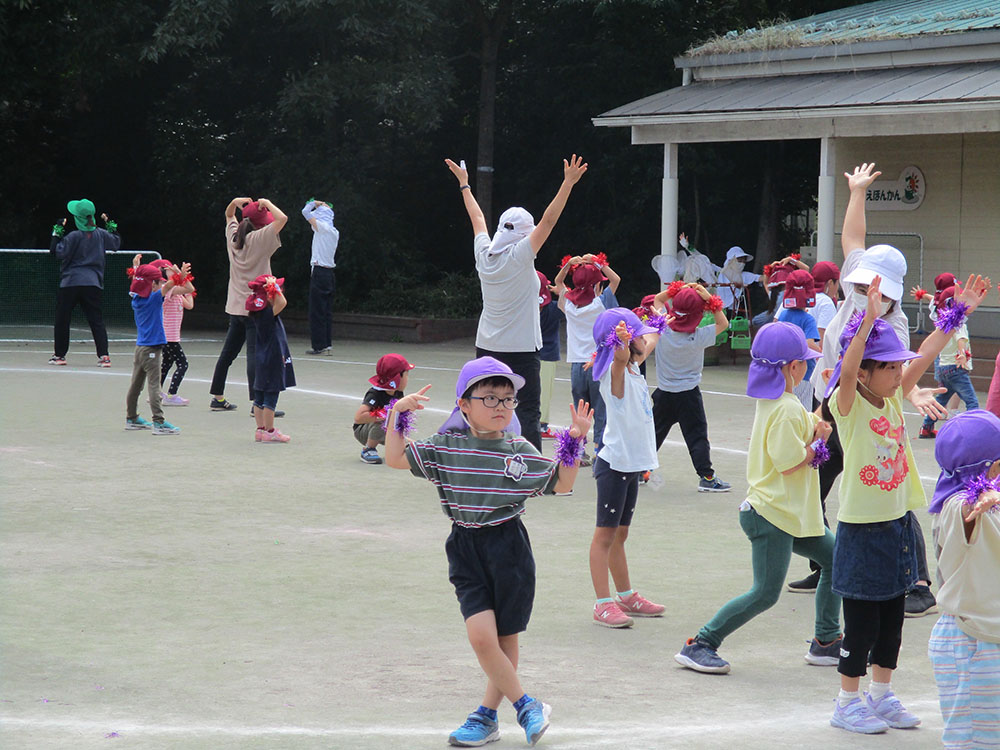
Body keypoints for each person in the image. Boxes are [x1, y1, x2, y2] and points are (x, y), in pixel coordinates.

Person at [383, 357, 593, 747]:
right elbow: (394, 457)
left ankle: (486, 717)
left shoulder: (519, 450)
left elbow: (561, 484)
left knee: (505, 638)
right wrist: (398, 412)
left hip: (508, 547)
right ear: (464, 404)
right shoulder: (447, 446)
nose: (501, 407)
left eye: (508, 399)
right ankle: (527, 705)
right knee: (482, 637)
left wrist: (576, 440)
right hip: (464, 547)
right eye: (490, 398)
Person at [823, 274, 989, 734]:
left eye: (900, 368)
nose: (901, 374)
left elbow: (930, 351)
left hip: (897, 522)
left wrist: (960, 314)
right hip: (862, 528)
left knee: (894, 619)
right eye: (891, 368)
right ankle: (846, 701)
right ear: (869, 373)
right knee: (860, 623)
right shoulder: (849, 407)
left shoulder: (894, 400)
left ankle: (880, 694)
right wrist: (867, 321)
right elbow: (850, 366)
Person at [789, 162, 950, 612]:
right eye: (861, 281)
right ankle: (826, 561)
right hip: (833, 402)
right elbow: (852, 241)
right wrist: (857, 192)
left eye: (875, 284)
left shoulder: (894, 325)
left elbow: (900, 374)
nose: (864, 287)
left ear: (895, 291)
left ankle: (916, 581)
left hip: (869, 409)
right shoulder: (856, 282)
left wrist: (909, 392)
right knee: (815, 481)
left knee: (892, 486)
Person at [675, 322, 841, 673]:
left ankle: (827, 640)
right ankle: (702, 643)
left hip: (788, 513)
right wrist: (819, 443)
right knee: (765, 592)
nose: (808, 365)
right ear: (790, 368)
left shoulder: (778, 402)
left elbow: (799, 426)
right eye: (803, 361)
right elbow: (790, 461)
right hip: (772, 515)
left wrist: (817, 425)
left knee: (836, 560)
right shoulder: (786, 408)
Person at [445, 154, 588, 451]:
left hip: (486, 346)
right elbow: (548, 221)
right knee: (525, 411)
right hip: (521, 349)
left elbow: (477, 218)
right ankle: (530, 468)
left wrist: (464, 185)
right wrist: (568, 183)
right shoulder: (521, 255)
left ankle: (479, 459)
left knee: (483, 407)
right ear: (525, 234)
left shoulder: (484, 254)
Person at [588, 308, 666, 628]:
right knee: (604, 536)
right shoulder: (615, 374)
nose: (642, 341)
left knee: (621, 534)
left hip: (631, 466)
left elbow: (649, 342)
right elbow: (620, 359)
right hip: (614, 465)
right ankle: (603, 603)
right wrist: (620, 352)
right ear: (620, 345)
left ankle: (626, 595)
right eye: (636, 337)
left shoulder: (634, 366)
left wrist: (660, 320)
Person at [926, 410, 1000, 750]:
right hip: (972, 644)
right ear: (991, 468)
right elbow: (964, 511)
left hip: (987, 638)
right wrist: (978, 499)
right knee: (975, 742)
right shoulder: (958, 509)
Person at [209, 197, 287, 413]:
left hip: (235, 306)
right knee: (256, 355)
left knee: (228, 353)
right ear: (261, 223)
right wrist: (268, 202)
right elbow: (283, 218)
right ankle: (257, 404)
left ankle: (217, 397)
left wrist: (234, 202)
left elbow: (228, 215)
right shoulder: (259, 238)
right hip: (256, 307)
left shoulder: (234, 237)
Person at [652, 282, 731, 492]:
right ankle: (706, 477)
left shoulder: (661, 327)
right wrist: (710, 299)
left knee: (652, 433)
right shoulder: (698, 336)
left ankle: (638, 470)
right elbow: (723, 324)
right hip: (688, 395)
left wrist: (676, 290)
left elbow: (658, 300)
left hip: (664, 392)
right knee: (696, 436)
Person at [554, 253, 620, 460]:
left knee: (581, 412)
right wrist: (598, 263)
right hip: (598, 364)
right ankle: (600, 452)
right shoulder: (601, 303)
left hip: (576, 365)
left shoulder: (570, 306)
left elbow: (558, 282)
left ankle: (578, 452)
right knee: (600, 412)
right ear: (596, 286)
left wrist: (568, 266)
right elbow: (616, 279)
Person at [48, 199, 121, 367]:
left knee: (62, 318)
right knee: (96, 319)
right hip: (93, 282)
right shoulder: (101, 234)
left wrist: (57, 231)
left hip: (70, 282)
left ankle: (59, 355)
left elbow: (56, 252)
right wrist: (111, 225)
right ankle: (104, 356)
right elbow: (116, 243)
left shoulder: (73, 236)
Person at [124, 260, 193, 435]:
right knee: (154, 387)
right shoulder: (154, 299)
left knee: (135, 386)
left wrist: (137, 269)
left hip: (140, 349)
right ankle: (159, 422)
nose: (161, 283)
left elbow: (141, 281)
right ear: (152, 284)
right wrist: (181, 274)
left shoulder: (137, 299)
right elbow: (171, 283)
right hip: (152, 349)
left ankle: (131, 418)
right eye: (158, 281)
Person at [913, 280, 978, 439]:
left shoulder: (942, 320)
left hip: (943, 367)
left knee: (941, 400)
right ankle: (974, 432)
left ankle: (926, 428)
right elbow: (961, 338)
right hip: (956, 368)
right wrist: (962, 353)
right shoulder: (958, 321)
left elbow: (934, 300)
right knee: (972, 403)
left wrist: (923, 295)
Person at [246, 274, 295, 443]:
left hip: (262, 359)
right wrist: (274, 288)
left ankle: (260, 429)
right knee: (270, 396)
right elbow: (282, 302)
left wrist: (273, 289)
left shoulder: (259, 314)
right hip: (272, 359)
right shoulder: (267, 314)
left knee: (259, 396)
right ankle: (270, 430)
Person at [353, 353, 415, 464]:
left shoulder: (398, 393)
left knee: (411, 443)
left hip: (385, 430)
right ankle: (368, 449)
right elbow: (358, 418)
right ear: (397, 378)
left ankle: (407, 446)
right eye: (406, 375)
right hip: (364, 431)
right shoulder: (375, 393)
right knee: (385, 418)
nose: (407, 378)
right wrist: (385, 415)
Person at [150, 258, 195, 406]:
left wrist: (181, 277)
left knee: (167, 363)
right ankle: (171, 394)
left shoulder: (175, 292)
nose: (171, 268)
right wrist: (178, 273)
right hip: (169, 336)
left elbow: (189, 297)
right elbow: (187, 288)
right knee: (183, 364)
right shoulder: (168, 290)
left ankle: (155, 394)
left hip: (171, 335)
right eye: (168, 268)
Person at [775, 269, 821, 409]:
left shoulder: (783, 315)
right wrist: (821, 353)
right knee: (803, 409)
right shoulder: (808, 319)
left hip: (784, 368)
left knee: (786, 405)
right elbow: (809, 343)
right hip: (804, 372)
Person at [301, 199, 340, 355]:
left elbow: (305, 212)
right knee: (326, 311)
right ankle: (327, 343)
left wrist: (313, 202)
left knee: (316, 310)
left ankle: (318, 346)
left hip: (319, 272)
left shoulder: (322, 228)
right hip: (329, 273)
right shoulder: (334, 231)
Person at [536, 272, 563, 440]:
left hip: (529, 353)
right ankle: (542, 426)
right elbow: (571, 301)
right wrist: (559, 291)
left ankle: (527, 421)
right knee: (545, 392)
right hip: (549, 354)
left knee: (528, 389)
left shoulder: (524, 306)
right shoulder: (554, 308)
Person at [712, 246, 760, 314]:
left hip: (734, 308)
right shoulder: (720, 272)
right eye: (739, 260)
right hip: (716, 305)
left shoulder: (744, 275)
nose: (742, 263)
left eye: (744, 261)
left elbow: (759, 278)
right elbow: (707, 265)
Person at [809, 260, 841, 347]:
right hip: (812, 358)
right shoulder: (825, 302)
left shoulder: (798, 296)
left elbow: (776, 321)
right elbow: (824, 339)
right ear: (830, 283)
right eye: (837, 283)